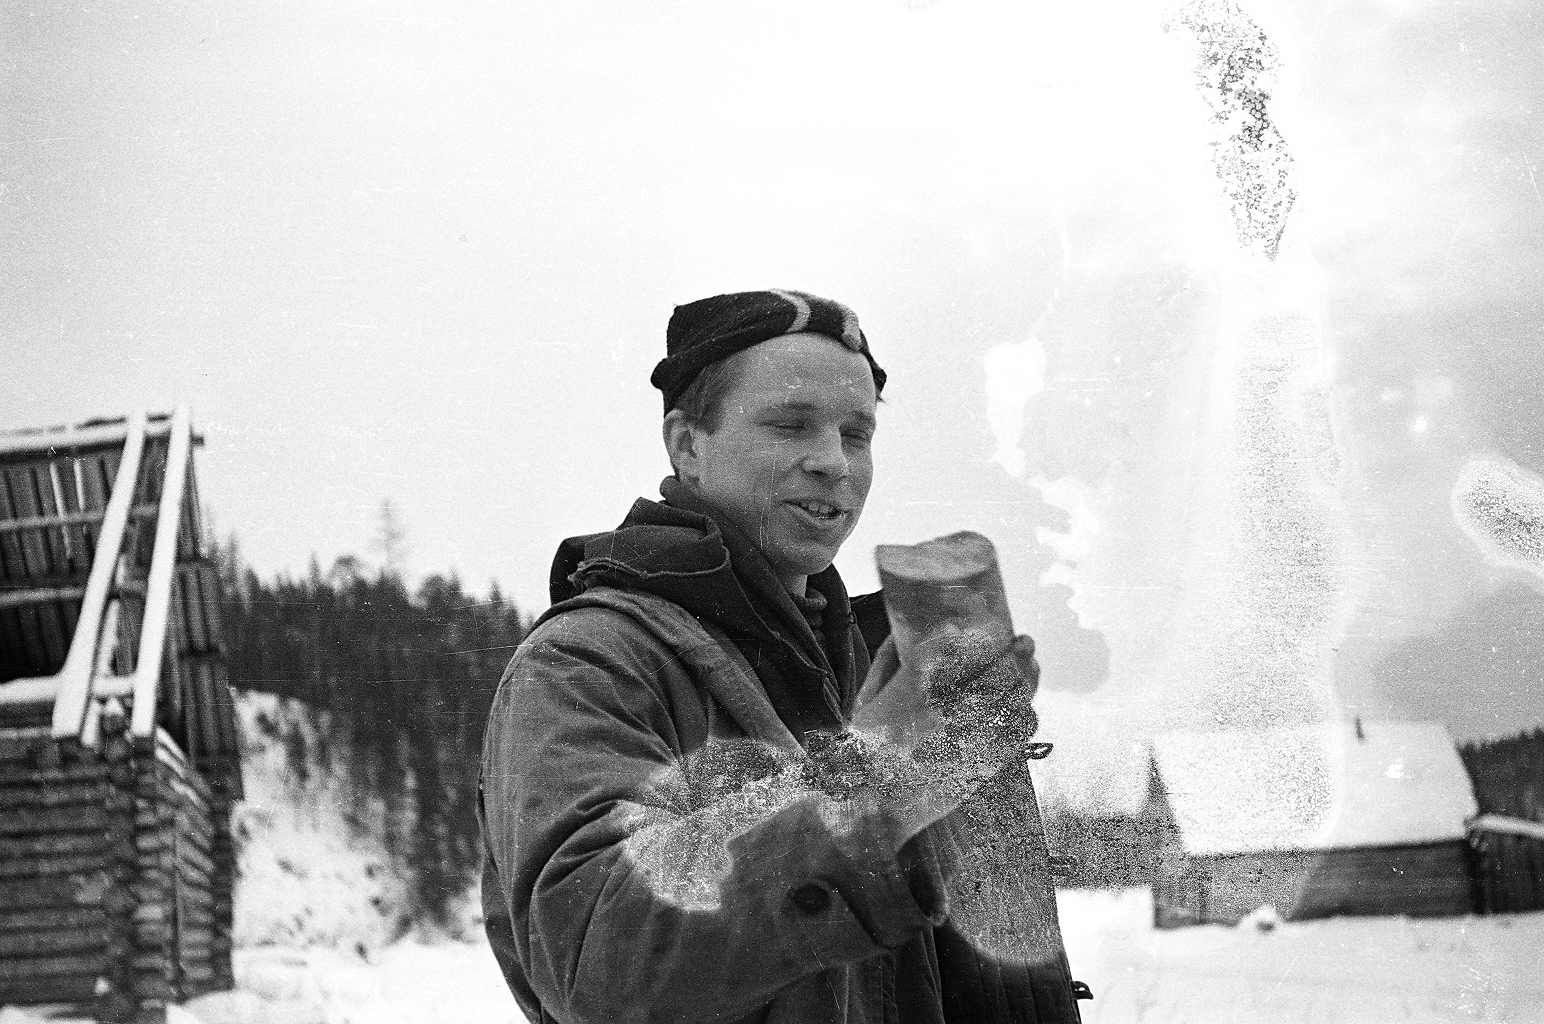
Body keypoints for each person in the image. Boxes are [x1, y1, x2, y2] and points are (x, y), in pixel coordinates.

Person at [478, 289, 1082, 1023]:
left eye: (856, 434)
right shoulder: (586, 661)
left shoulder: (871, 662)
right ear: (687, 445)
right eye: (790, 425)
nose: (834, 462)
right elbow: (595, 955)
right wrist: (879, 775)